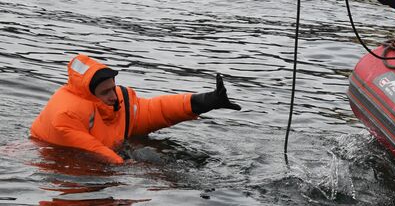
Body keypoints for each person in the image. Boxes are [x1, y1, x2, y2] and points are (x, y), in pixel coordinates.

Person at [30, 54, 241, 164]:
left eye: (113, 88)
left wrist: (206, 101)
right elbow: (93, 150)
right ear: (91, 96)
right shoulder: (66, 115)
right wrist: (127, 168)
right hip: (60, 164)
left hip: (113, 154)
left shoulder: (118, 102)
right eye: (106, 93)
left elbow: (157, 110)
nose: (114, 96)